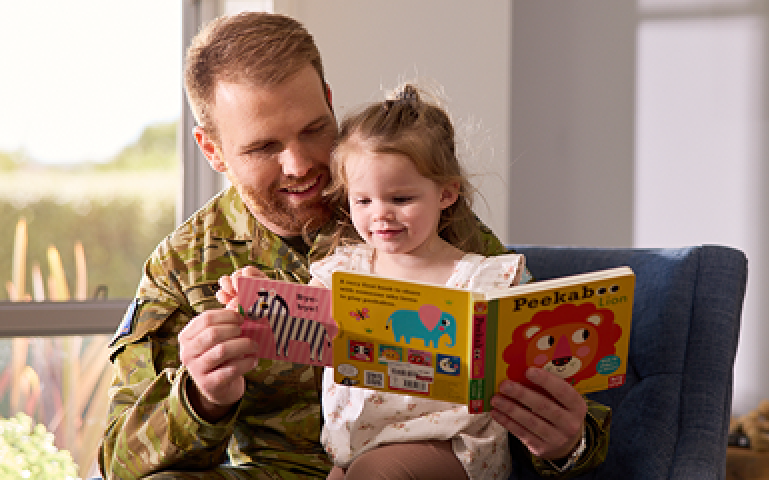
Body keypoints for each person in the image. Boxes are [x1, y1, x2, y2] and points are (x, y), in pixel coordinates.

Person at [98, 11, 610, 480]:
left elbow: (556, 392)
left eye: (314, 129)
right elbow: (117, 457)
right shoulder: (183, 265)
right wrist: (201, 399)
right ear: (212, 149)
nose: (299, 165)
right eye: (263, 147)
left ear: (327, 97)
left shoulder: (403, 205)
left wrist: (567, 440)